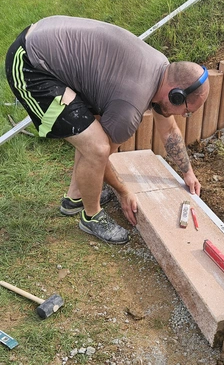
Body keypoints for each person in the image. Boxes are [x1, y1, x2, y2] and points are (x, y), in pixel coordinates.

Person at [5, 15, 210, 245]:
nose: (184, 115)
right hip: (31, 65)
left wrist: (187, 173)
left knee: (89, 132)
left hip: (50, 47)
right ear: (175, 94)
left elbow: (169, 131)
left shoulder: (161, 68)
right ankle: (91, 217)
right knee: (98, 147)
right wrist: (123, 191)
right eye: (187, 110)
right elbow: (102, 155)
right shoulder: (131, 105)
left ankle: (74, 199)